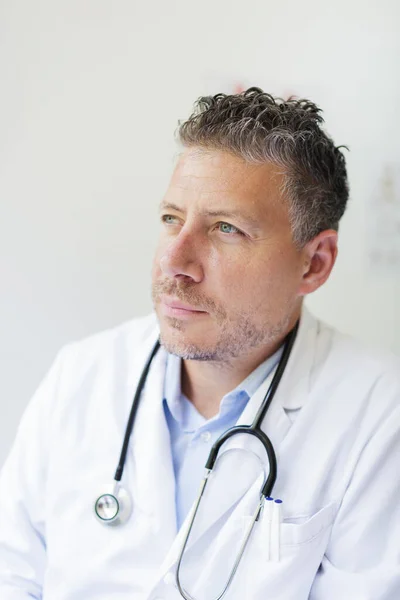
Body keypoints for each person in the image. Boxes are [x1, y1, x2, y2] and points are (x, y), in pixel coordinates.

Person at [0, 87, 399, 600]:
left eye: (226, 229)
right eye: (171, 219)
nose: (174, 262)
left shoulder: (378, 413)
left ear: (314, 262)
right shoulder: (82, 375)